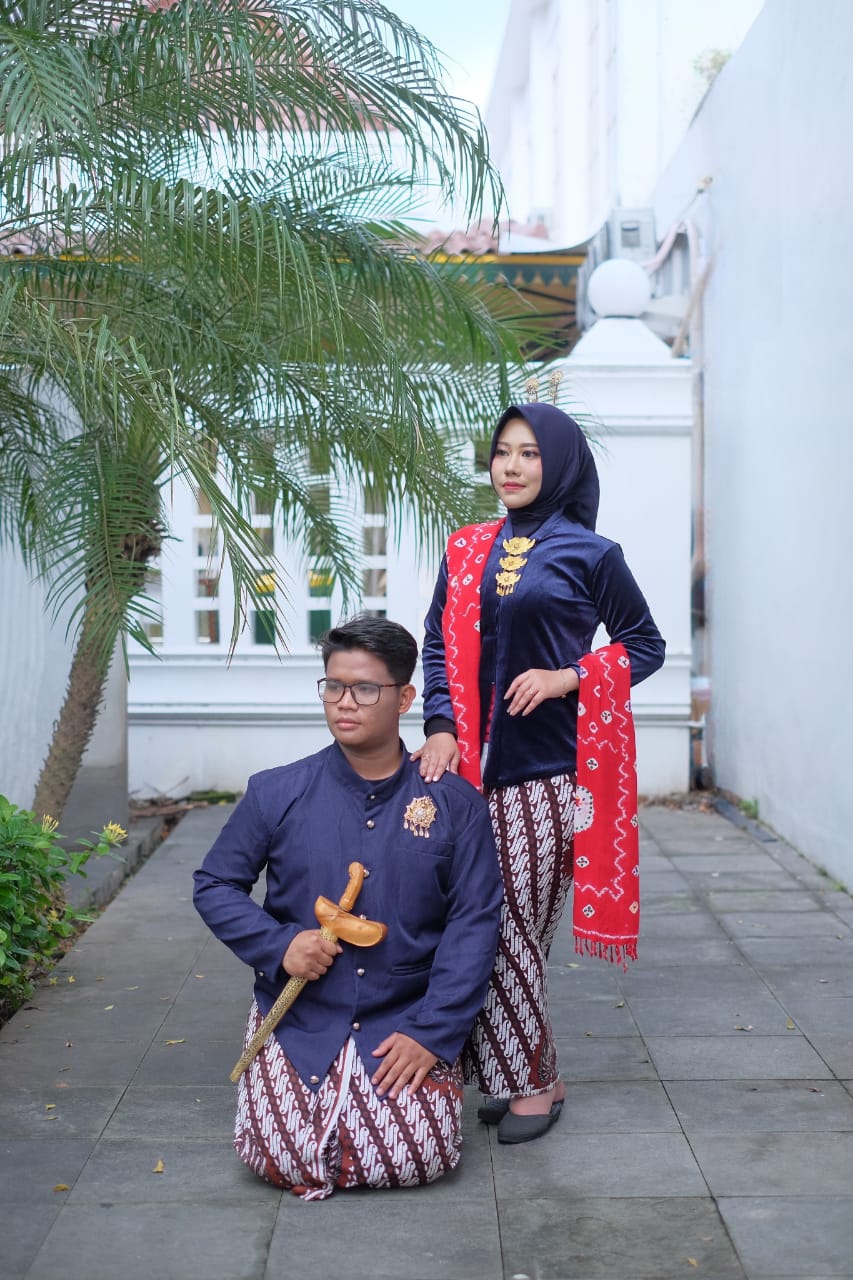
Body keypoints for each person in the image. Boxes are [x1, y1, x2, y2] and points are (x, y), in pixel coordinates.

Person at [413, 398, 665, 1145]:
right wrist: (438, 726)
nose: (512, 466)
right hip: (467, 779)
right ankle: (528, 1075)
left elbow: (644, 645)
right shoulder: (465, 548)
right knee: (478, 925)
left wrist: (567, 677)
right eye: (502, 452)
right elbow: (436, 644)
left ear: (558, 464)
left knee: (508, 926)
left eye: (529, 453)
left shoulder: (591, 554)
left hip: (549, 775)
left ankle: (532, 1083)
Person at [193, 616, 503, 1199]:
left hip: (403, 1014)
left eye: (365, 688)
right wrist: (280, 945)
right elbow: (214, 883)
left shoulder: (454, 805)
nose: (344, 702)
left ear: (405, 698)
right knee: (278, 1155)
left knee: (416, 1157)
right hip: (300, 1015)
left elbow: (475, 923)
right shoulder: (277, 792)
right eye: (333, 686)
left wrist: (433, 1032)